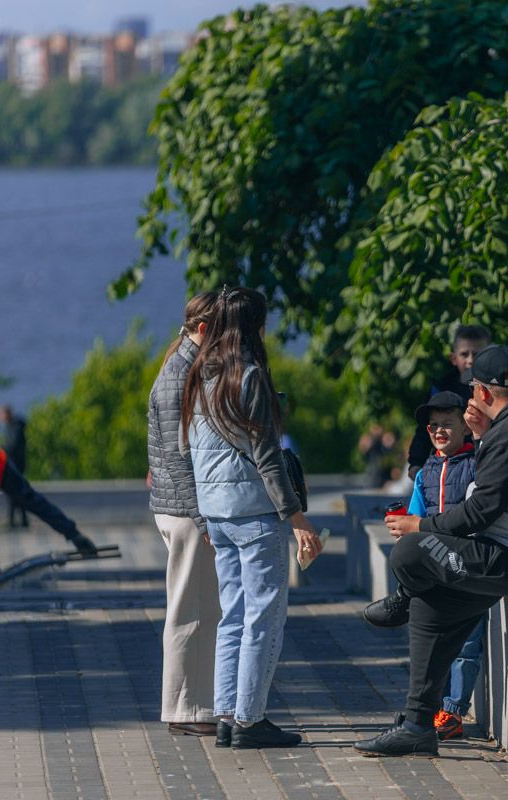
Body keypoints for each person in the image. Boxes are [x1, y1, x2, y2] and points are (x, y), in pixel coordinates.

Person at [356, 345, 508, 758]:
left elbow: (479, 510)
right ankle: (417, 725)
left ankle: (401, 599)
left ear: (480, 391)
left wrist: (419, 525)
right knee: (431, 602)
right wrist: (483, 437)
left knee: (410, 554)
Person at [181, 286, 324, 749]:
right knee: (265, 616)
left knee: (233, 616)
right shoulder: (250, 375)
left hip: (217, 514)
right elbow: (266, 456)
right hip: (255, 513)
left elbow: (190, 451)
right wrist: (297, 518)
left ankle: (226, 715)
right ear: (254, 326)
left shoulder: (200, 374)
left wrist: (204, 515)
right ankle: (250, 718)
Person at [148, 291, 221, 737]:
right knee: (191, 611)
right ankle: (186, 710)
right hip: (186, 510)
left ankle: (192, 706)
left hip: (175, 506)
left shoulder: (179, 365)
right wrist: (204, 517)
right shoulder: (181, 375)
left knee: (197, 608)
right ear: (203, 330)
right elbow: (180, 456)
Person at [403, 391, 480, 742]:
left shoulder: (477, 464)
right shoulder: (426, 472)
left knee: (466, 642)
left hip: (465, 563)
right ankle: (431, 705)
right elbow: (415, 516)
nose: (439, 431)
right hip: (433, 564)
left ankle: (453, 710)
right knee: (434, 640)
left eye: (447, 424)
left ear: (466, 425)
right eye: (433, 425)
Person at [405, 324, 491, 480]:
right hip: (447, 465)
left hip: (485, 465)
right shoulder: (441, 388)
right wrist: (416, 463)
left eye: (477, 354)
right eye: (465, 354)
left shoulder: (496, 387)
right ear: (453, 358)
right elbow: (425, 429)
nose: (471, 360)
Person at [0, 404, 29, 528]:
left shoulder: (15, 426)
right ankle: (18, 519)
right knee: (15, 491)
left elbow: (13, 446)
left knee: (14, 491)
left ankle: (15, 520)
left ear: (7, 414)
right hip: (14, 463)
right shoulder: (12, 426)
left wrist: (0, 450)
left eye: (1, 414)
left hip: (16, 464)